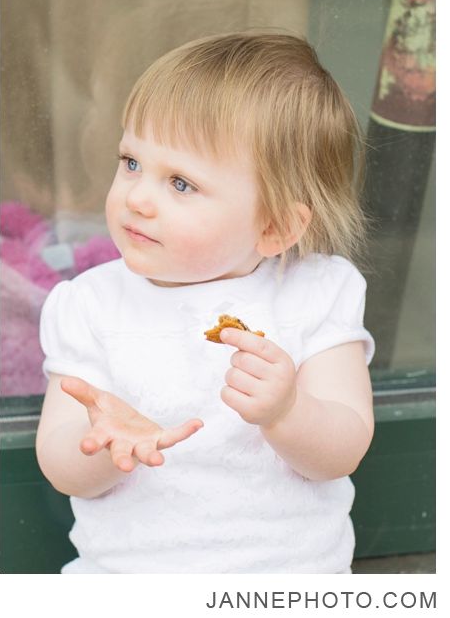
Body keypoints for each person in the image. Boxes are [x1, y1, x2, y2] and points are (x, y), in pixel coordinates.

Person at [36, 32, 375, 573]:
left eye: (181, 184)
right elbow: (59, 463)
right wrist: (104, 443)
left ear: (276, 226)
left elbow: (342, 451)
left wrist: (289, 411)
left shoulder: (315, 293)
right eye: (130, 162)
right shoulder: (90, 305)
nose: (138, 198)